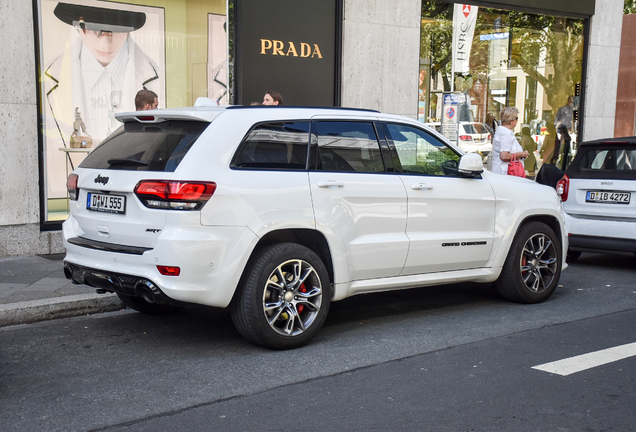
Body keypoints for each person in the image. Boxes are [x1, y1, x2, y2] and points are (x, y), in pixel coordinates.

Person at [43, 2, 161, 143]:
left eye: (116, 29)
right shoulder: (48, 77)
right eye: (94, 29)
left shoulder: (158, 77)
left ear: (129, 30)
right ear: (78, 27)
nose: (105, 43)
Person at [490, 106, 529, 175]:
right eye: (516, 118)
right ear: (511, 121)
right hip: (506, 172)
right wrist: (522, 154)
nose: (517, 121)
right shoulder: (506, 134)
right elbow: (504, 156)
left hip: (503, 171)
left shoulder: (503, 131)